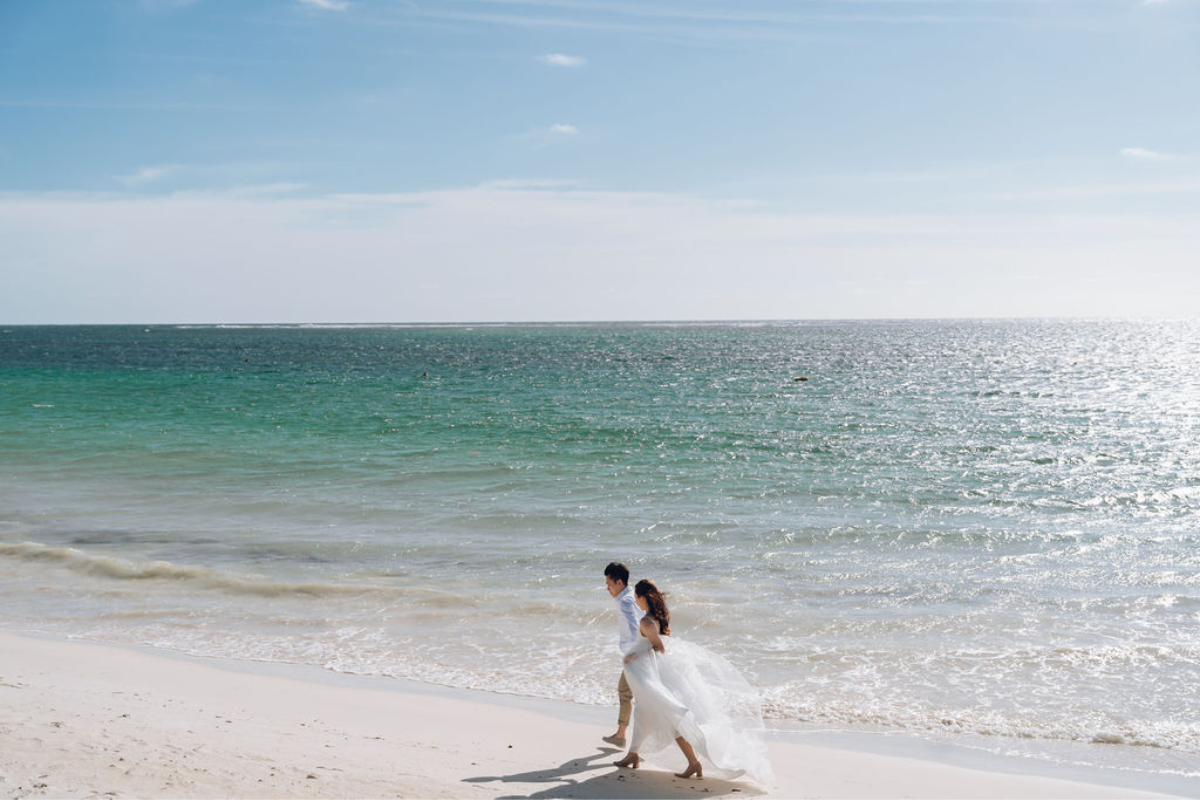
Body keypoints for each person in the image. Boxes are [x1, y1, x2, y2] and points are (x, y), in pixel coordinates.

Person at [612, 579, 774, 785]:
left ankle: (693, 762)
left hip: (659, 675)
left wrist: (633, 656)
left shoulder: (646, 622)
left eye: (637, 598)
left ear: (644, 597)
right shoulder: (656, 618)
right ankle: (633, 754)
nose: (636, 601)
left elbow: (658, 646)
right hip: (667, 672)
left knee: (672, 720)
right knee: (644, 713)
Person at [602, 562, 643, 747]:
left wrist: (634, 654)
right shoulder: (631, 596)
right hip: (640, 654)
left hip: (636, 656)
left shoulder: (625, 601)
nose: (607, 588)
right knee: (629, 693)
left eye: (609, 584)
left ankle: (622, 736)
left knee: (626, 693)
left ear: (619, 582)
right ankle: (622, 735)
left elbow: (635, 627)